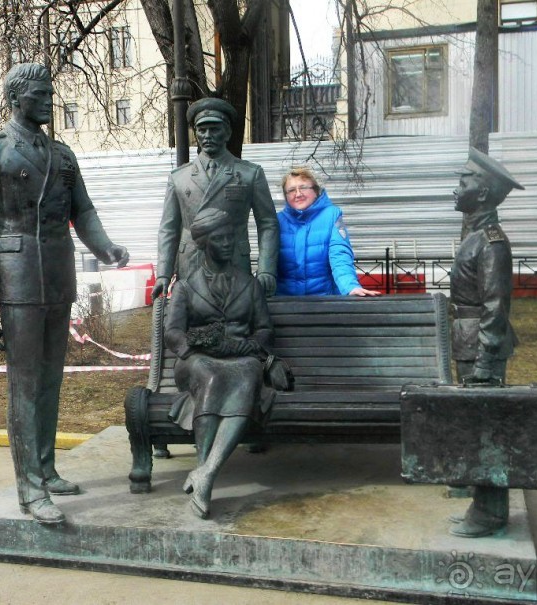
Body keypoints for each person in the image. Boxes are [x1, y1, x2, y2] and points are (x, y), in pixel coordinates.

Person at [0, 63, 129, 525]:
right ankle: (29, 489)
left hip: (57, 272)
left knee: (51, 379)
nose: (50, 100)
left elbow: (82, 210)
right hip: (17, 274)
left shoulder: (63, 155)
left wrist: (104, 246)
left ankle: (46, 469)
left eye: (51, 92)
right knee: (25, 385)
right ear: (16, 99)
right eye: (41, 94)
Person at [164, 208, 276, 519]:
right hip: (197, 360)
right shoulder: (186, 286)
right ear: (203, 243)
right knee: (211, 376)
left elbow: (265, 328)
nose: (228, 243)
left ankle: (206, 474)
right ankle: (205, 471)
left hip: (241, 358)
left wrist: (252, 345)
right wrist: (192, 348)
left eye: (231, 236)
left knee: (249, 375)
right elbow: (173, 331)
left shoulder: (248, 283)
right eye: (220, 238)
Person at [449, 146, 523, 538]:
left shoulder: (491, 241)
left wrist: (485, 360)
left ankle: (491, 512)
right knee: (474, 424)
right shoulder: (474, 233)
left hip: (482, 345)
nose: (457, 186)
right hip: (469, 339)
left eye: (465, 180)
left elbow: (496, 306)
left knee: (487, 428)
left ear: (481, 193)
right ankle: (480, 502)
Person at [152, 98, 279, 300]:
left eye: (215, 129)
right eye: (202, 130)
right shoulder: (179, 178)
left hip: (234, 262)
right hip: (191, 265)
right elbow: (168, 229)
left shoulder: (249, 174)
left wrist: (266, 270)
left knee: (237, 323)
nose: (207, 135)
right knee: (192, 327)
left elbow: (268, 223)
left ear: (227, 132)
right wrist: (163, 273)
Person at [276, 167, 379, 297]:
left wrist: (350, 286)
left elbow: (339, 255)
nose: (298, 194)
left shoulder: (332, 215)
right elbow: (268, 261)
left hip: (324, 301)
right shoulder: (277, 221)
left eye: (303, 188)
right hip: (284, 302)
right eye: (291, 190)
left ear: (316, 190)